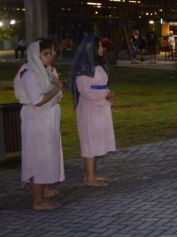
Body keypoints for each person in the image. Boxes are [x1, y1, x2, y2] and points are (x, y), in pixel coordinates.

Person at [13, 39, 65, 210]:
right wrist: (56, 88)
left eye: (51, 53)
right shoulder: (29, 73)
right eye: (45, 54)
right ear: (36, 55)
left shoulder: (46, 70)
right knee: (38, 158)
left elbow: (56, 95)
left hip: (47, 120)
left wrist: (56, 89)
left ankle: (42, 192)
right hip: (36, 121)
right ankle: (38, 201)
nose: (50, 57)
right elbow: (38, 100)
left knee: (46, 156)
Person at [69, 35, 116, 186]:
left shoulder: (98, 66)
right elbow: (85, 90)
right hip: (90, 109)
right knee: (90, 140)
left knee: (96, 139)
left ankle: (92, 174)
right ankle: (89, 178)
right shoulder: (83, 70)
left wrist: (108, 93)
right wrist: (103, 95)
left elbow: (101, 85)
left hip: (100, 108)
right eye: (99, 46)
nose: (102, 49)